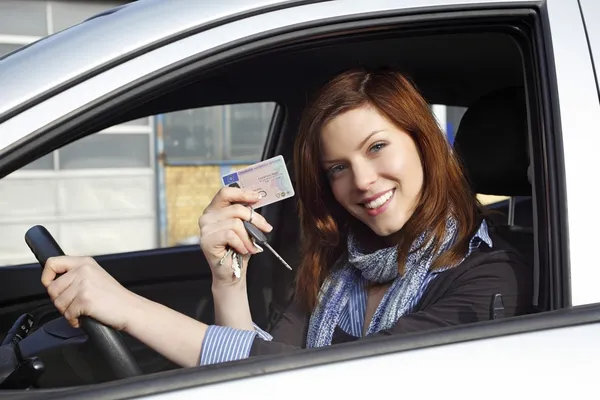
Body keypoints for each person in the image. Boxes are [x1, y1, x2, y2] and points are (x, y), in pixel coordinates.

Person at [40, 68, 533, 368]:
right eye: (338, 168)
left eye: (377, 147)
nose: (361, 181)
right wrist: (228, 279)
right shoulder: (340, 266)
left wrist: (127, 308)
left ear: (425, 146)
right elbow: (268, 373)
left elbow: (332, 381)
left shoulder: (490, 273)